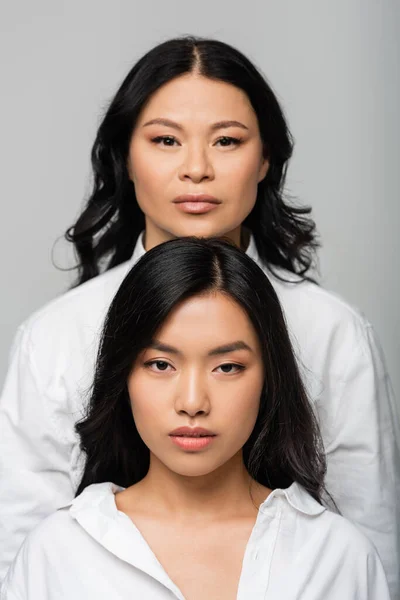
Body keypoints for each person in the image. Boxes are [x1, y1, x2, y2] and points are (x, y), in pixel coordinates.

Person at [0, 36, 398, 596]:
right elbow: (21, 556)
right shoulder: (55, 337)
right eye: (165, 139)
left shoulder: (335, 333)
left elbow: (371, 549)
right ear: (125, 158)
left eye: (227, 141)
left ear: (266, 159)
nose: (196, 169)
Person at [1, 238, 390, 599]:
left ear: (270, 378)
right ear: (123, 378)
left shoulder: (340, 558)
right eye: (160, 364)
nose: (192, 402)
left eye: (226, 367)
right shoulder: (56, 553)